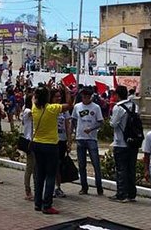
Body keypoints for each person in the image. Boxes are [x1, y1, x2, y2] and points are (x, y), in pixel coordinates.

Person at [31, 84, 73, 215]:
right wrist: (67, 93)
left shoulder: (34, 108)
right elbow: (69, 106)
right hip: (50, 145)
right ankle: (47, 205)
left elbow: (34, 97)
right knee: (50, 175)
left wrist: (45, 88)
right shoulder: (52, 109)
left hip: (37, 144)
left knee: (39, 175)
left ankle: (38, 203)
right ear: (48, 97)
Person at [72, 86, 104, 196]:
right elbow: (74, 120)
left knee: (96, 164)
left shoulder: (96, 108)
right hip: (80, 138)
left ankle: (99, 186)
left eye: (87, 96)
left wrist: (91, 128)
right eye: (84, 96)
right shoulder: (77, 107)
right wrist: (75, 131)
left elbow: (100, 122)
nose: (85, 98)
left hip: (91, 139)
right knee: (81, 165)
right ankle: (84, 187)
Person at [110, 85, 139, 203]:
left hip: (120, 142)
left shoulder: (118, 108)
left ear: (117, 95)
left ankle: (121, 194)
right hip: (133, 142)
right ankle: (131, 194)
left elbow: (113, 124)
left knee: (121, 169)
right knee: (131, 168)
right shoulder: (134, 106)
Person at [22, 92, 35, 200]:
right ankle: (27, 189)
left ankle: (36, 189)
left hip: (35, 141)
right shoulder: (27, 111)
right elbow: (34, 114)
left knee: (35, 167)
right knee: (30, 167)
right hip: (29, 141)